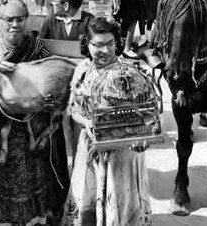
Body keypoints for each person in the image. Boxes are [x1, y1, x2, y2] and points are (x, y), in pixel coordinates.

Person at [0, 0, 69, 225]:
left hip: (35, 138)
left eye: (20, 19)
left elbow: (58, 84)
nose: (15, 24)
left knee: (38, 195)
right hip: (1, 138)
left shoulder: (39, 50)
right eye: (9, 19)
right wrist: (15, 103)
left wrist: (53, 101)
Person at [65, 17, 152, 226]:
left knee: (121, 204)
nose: (104, 50)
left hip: (123, 154)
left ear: (118, 42)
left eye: (110, 44)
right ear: (86, 43)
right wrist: (86, 123)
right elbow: (73, 109)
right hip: (89, 148)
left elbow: (149, 115)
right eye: (98, 45)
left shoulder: (131, 74)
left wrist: (143, 136)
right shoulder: (82, 71)